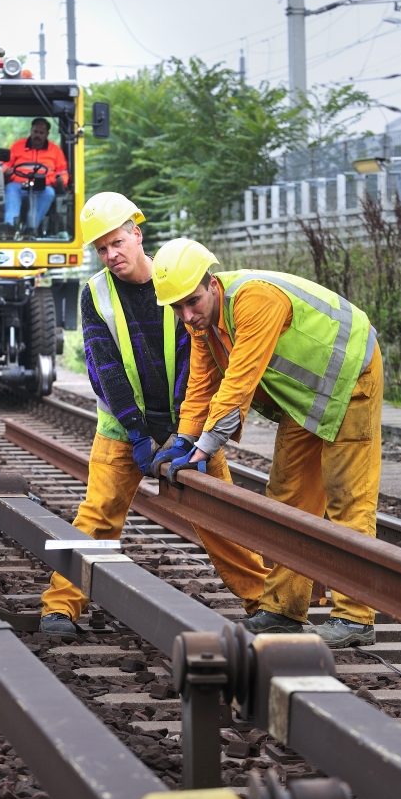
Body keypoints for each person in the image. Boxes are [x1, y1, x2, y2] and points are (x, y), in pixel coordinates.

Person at [40, 194, 269, 639]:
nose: (111, 255)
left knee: (219, 515)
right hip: (123, 429)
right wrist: (139, 432)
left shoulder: (173, 279)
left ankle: (265, 603)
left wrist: (181, 433)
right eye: (101, 249)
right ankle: (59, 606)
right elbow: (103, 366)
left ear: (137, 234)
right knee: (98, 514)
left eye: (117, 242)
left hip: (188, 427)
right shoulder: (96, 294)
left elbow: (195, 363)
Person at [151, 238, 382, 648]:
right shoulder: (201, 321)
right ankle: (283, 610)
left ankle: (356, 617)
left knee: (348, 497)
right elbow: (201, 384)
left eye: (192, 302)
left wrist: (202, 449)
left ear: (212, 284)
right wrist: (183, 437)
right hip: (305, 397)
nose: (187, 315)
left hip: (351, 376)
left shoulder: (255, 299)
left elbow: (238, 382)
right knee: (287, 497)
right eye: (177, 308)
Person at [1, 117, 68, 236]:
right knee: (10, 189)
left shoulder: (55, 150)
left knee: (49, 193)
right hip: (18, 185)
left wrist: (62, 180)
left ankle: (30, 230)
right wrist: (5, 171)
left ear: (47, 134)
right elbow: (4, 164)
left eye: (41, 133)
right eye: (35, 132)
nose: (38, 135)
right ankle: (10, 227)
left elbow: (63, 171)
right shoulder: (17, 146)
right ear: (31, 131)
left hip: (43, 187)